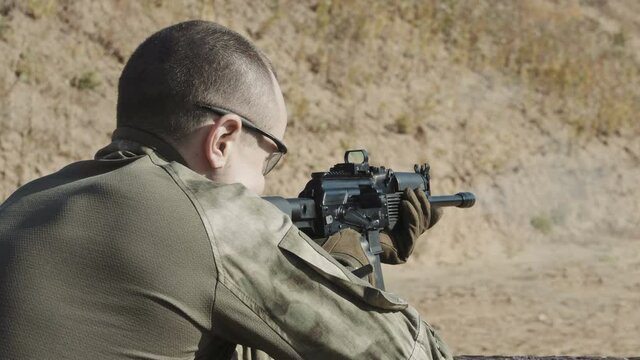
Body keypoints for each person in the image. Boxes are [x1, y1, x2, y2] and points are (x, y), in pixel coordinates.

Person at [0, 20, 451, 359]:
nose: (264, 182)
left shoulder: (23, 204)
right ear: (222, 140)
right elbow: (412, 354)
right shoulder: (214, 217)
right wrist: (350, 261)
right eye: (269, 157)